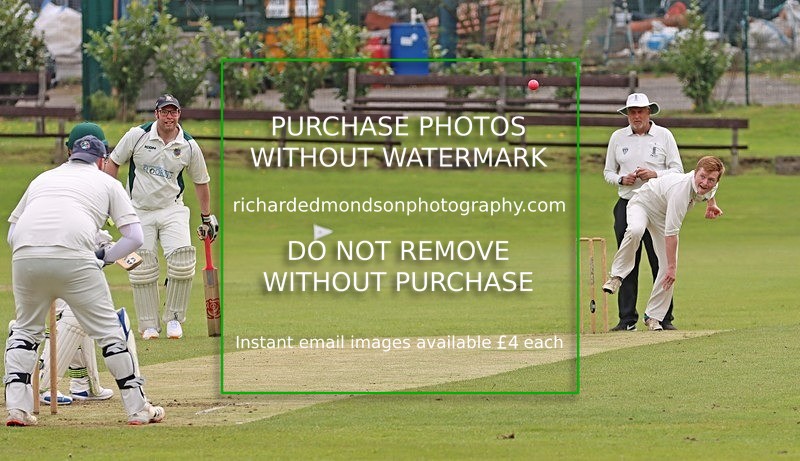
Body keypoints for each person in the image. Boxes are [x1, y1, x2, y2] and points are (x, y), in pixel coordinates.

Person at [5, 134, 163, 426]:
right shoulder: (107, 182)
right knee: (110, 334)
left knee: (25, 332)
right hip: (76, 258)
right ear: (102, 160)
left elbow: (12, 234)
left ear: (71, 155)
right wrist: (103, 257)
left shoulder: (42, 179)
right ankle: (138, 409)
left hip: (25, 256)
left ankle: (17, 409)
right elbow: (135, 237)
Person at [104, 94, 218, 340]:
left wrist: (207, 217)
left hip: (172, 209)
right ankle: (148, 325)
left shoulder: (188, 145)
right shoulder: (137, 135)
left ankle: (174, 320)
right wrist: (109, 202)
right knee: (141, 266)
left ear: (179, 114)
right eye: (164, 112)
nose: (169, 116)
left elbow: (201, 181)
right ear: (156, 114)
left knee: (183, 262)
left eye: (173, 112)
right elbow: (112, 162)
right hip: (138, 210)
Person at [602, 156, 725, 331]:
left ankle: (653, 316)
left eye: (711, 180)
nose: (705, 183)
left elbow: (710, 192)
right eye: (702, 177)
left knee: (667, 267)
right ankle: (616, 276)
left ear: (716, 181)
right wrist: (673, 268)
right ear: (695, 173)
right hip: (642, 204)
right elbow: (671, 234)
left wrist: (711, 204)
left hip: (662, 215)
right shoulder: (681, 191)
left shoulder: (711, 185)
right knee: (636, 230)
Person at [604, 93, 684, 331]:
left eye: (640, 111)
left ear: (649, 112)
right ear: (627, 114)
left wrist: (654, 174)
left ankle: (663, 317)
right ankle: (627, 320)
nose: (636, 116)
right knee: (629, 258)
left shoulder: (664, 135)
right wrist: (622, 179)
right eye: (632, 112)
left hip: (658, 205)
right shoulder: (618, 137)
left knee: (661, 261)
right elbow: (608, 172)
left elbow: (678, 170)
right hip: (628, 203)